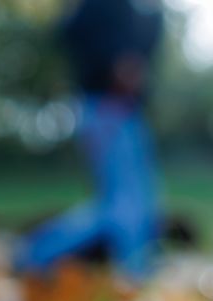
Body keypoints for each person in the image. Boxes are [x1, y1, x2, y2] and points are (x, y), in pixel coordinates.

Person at [13, 0, 164, 282]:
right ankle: (36, 255)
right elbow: (69, 31)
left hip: (128, 107)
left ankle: (36, 254)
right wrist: (112, 62)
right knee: (122, 203)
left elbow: (150, 29)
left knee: (135, 199)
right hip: (105, 104)